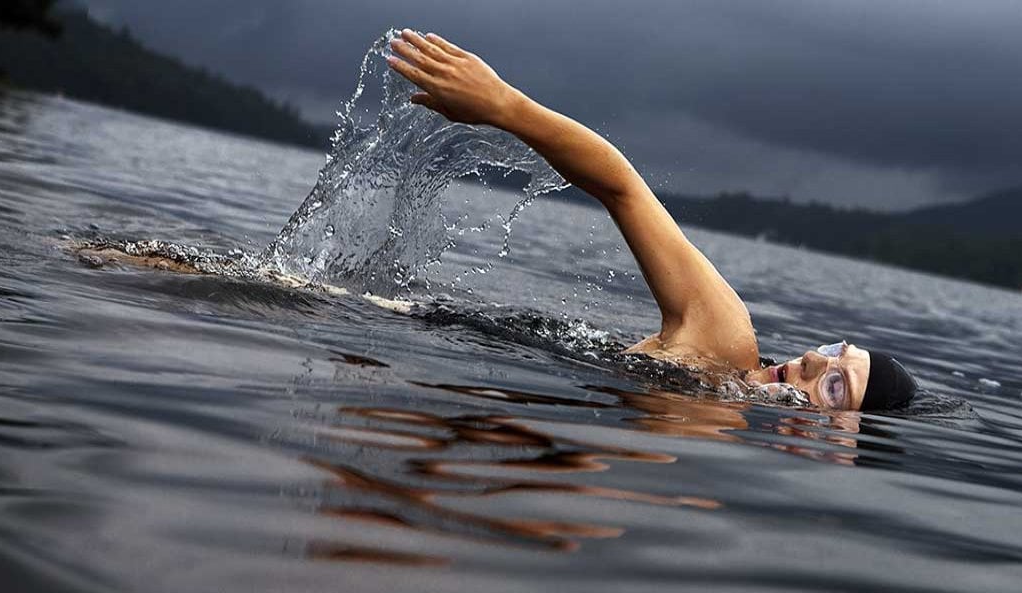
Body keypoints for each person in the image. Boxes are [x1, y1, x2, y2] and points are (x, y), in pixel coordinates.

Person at [387, 29, 917, 411]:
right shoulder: (725, 342)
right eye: (832, 354)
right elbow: (623, 188)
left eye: (834, 388)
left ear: (840, 445)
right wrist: (503, 105)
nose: (809, 363)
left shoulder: (712, 440)